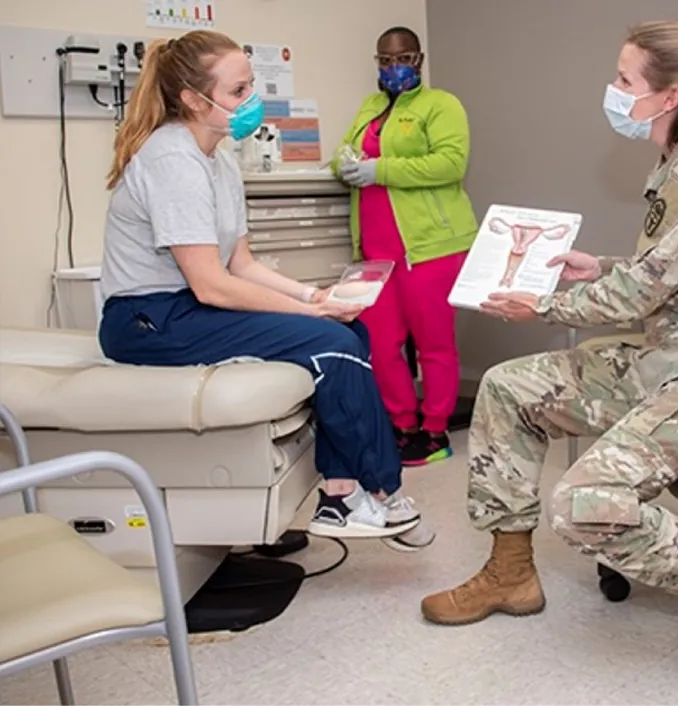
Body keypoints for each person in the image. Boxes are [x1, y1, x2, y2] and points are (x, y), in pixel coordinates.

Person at [420, 21, 678, 700]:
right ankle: (510, 573)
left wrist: (541, 302)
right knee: (509, 387)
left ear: (669, 96)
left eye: (624, 80)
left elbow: (644, 291)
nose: (612, 91)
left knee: (584, 503)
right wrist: (597, 266)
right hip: (672, 356)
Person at [97, 30, 435, 552]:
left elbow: (242, 264)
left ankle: (340, 494)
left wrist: (313, 299)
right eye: (237, 92)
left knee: (351, 328)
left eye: (250, 87)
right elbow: (212, 285)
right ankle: (368, 492)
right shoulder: (172, 160)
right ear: (192, 99)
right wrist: (313, 319)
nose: (250, 102)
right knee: (331, 343)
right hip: (146, 320)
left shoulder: (218, 159)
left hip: (185, 307)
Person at [331, 26, 479, 467]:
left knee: (433, 343)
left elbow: (451, 163)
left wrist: (382, 170)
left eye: (402, 58)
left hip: (429, 246)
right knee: (378, 342)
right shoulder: (371, 107)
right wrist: (345, 164)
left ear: (419, 59)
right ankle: (402, 424)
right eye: (384, 60)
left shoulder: (441, 104)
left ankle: (434, 430)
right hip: (376, 251)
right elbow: (347, 150)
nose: (393, 67)